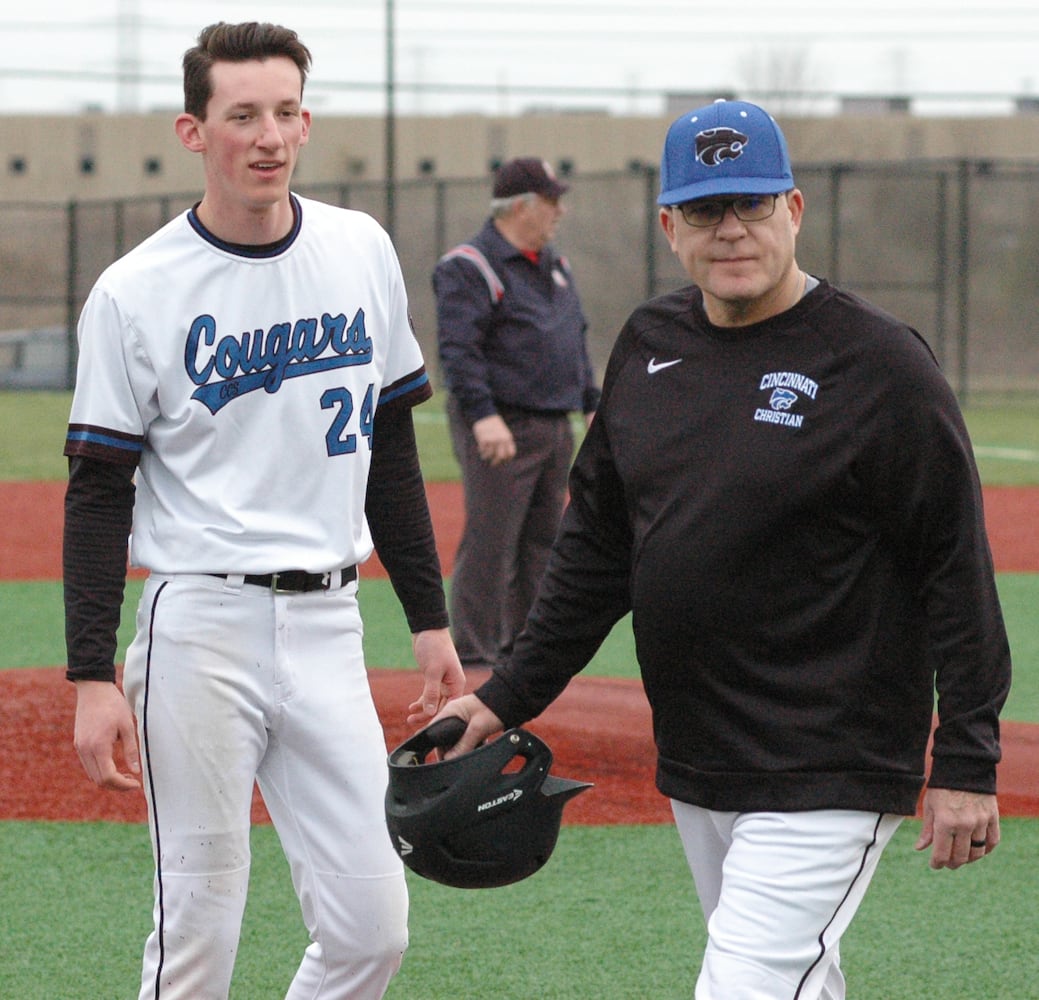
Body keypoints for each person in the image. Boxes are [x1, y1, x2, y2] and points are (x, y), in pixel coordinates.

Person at [433, 100, 1012, 999]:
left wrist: (967, 761)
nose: (730, 229)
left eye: (751, 203)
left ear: (794, 209)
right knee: (791, 984)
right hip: (700, 754)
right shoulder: (649, 345)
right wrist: (505, 695)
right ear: (669, 225)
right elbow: (594, 550)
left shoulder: (879, 364)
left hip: (830, 762)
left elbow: (955, 567)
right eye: (705, 209)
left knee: (740, 987)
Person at [62, 21, 464, 1000]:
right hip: (200, 626)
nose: (268, 136)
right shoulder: (136, 291)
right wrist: (89, 673)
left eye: (285, 113)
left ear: (306, 121)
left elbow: (392, 450)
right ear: (194, 130)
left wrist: (428, 617)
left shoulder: (358, 249)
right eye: (242, 115)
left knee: (373, 929)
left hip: (329, 622)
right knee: (197, 930)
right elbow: (98, 488)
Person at [432, 157, 600, 671]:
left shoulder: (554, 265)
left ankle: (523, 652)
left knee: (544, 542)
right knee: (493, 539)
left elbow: (575, 339)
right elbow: (459, 350)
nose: (560, 211)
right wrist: (483, 415)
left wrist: (591, 404)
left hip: (553, 423)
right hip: (501, 424)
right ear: (523, 206)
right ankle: (476, 653)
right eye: (552, 201)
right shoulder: (471, 265)